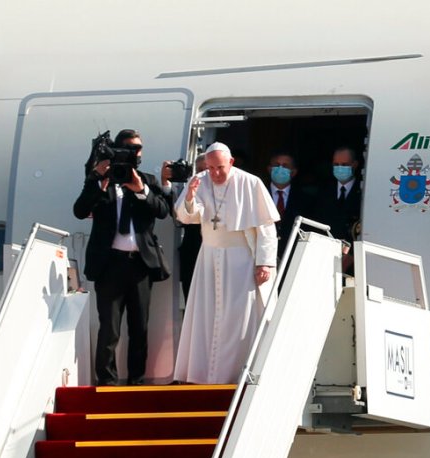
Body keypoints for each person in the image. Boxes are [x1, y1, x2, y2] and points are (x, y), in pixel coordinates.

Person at [173, 142, 280, 384]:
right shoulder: (201, 179)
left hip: (242, 258)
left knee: (238, 318)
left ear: (230, 162)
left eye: (219, 168)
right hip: (209, 257)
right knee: (208, 316)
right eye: (211, 168)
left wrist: (265, 263)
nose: (215, 174)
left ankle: (236, 373)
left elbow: (266, 227)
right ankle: (205, 375)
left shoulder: (250, 183)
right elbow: (187, 216)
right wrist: (189, 196)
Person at [73, 129, 169, 386]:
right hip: (109, 264)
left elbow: (162, 211)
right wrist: (97, 179)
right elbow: (80, 210)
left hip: (140, 264)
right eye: (127, 148)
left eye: (137, 148)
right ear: (117, 149)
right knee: (110, 327)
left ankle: (137, 380)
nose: (133, 153)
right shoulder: (101, 179)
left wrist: (141, 190)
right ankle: (107, 381)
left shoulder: (147, 180)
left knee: (140, 327)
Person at [314, 145, 362, 273]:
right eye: (336, 164)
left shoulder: (363, 191)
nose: (340, 168)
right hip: (326, 256)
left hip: (355, 261)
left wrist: (350, 255)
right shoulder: (324, 191)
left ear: (355, 165)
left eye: (344, 164)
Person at [165, 153, 206, 302]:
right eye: (200, 170)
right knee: (192, 300)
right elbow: (179, 216)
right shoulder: (192, 186)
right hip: (192, 253)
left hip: (215, 255)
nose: (203, 174)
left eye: (207, 169)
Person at [267, 151, 312, 261]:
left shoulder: (306, 200)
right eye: (277, 165)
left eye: (285, 166)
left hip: (291, 257)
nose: (280, 168)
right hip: (262, 256)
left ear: (293, 172)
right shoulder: (257, 194)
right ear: (269, 169)